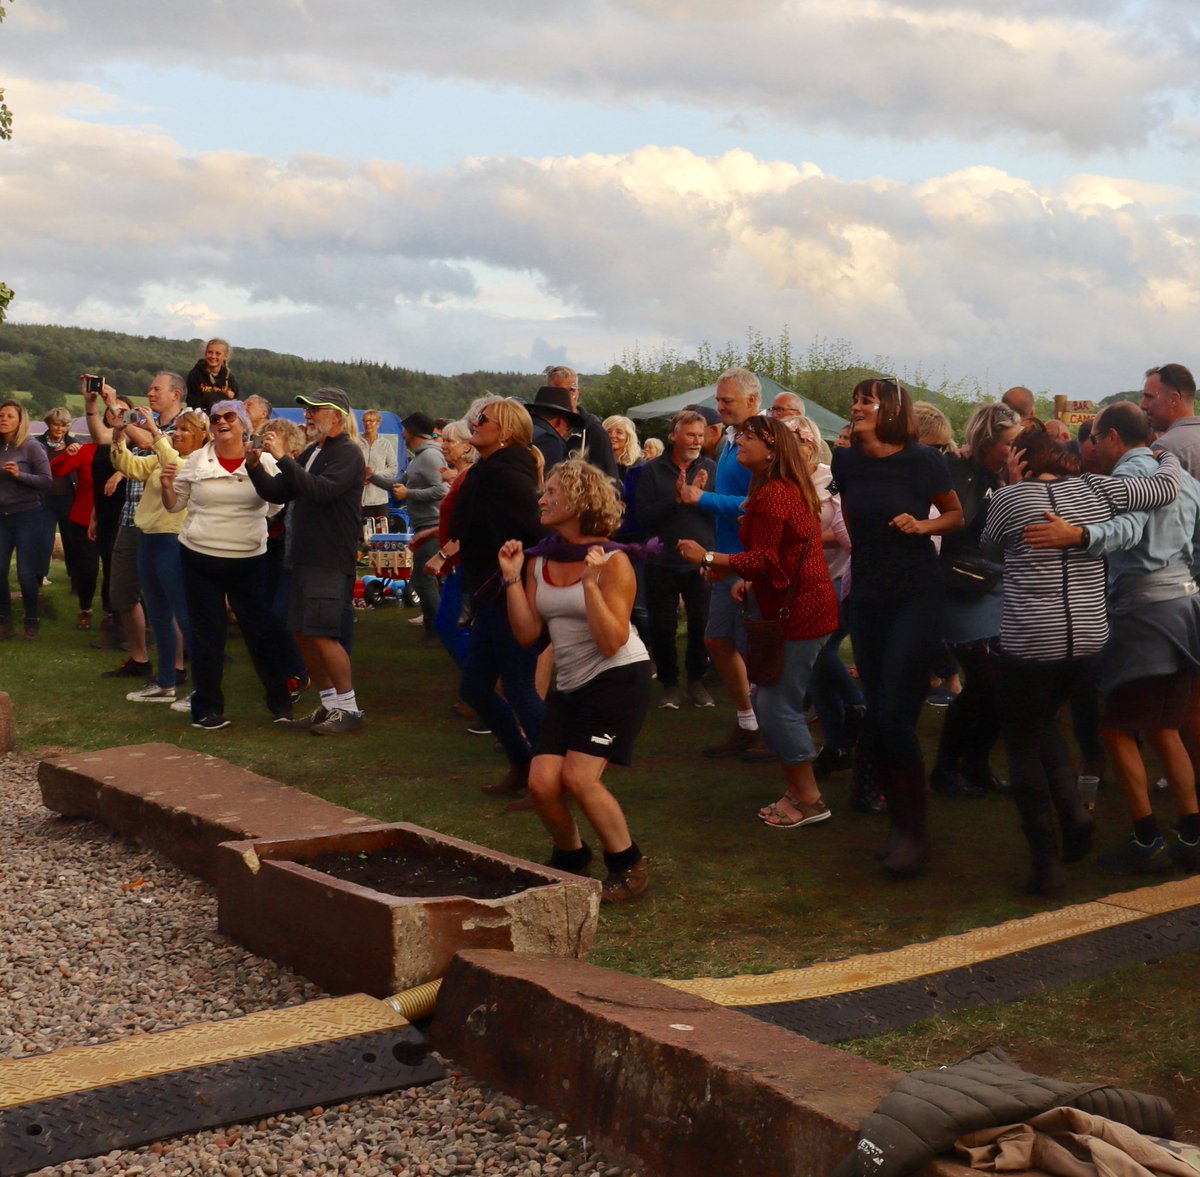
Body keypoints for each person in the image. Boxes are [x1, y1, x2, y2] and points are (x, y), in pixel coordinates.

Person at [981, 429, 1185, 893]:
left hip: (1031, 641)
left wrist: (1011, 486)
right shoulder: (1097, 487)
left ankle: (1045, 861)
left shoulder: (1009, 499)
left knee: (1022, 745)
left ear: (1019, 459)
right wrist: (1161, 453)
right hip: (1089, 638)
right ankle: (1073, 813)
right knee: (1045, 724)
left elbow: (990, 549)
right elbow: (1165, 487)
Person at [1023, 401, 1200, 875]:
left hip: (1143, 615)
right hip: (1183, 607)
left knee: (1117, 728)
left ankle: (1146, 839)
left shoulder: (1132, 480)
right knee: (1165, 727)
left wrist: (1077, 535)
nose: (1092, 445)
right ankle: (1191, 832)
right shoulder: (1180, 476)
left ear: (1116, 438)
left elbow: (1127, 528)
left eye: (1097, 437)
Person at [498, 459, 653, 902]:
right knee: (541, 783)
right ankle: (571, 860)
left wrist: (589, 586)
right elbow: (528, 634)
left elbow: (611, 642)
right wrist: (510, 578)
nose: (541, 499)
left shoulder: (614, 561)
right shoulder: (540, 559)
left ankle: (629, 867)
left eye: (551, 492)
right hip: (572, 684)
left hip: (618, 676)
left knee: (579, 778)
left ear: (579, 501)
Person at [830, 378, 965, 878]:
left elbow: (955, 516)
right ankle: (900, 825)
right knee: (879, 717)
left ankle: (914, 833)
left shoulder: (922, 459)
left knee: (892, 716)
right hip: (867, 598)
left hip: (915, 597)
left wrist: (921, 525)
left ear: (893, 410)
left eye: (868, 399)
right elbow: (853, 528)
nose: (858, 405)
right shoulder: (845, 461)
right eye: (857, 397)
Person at [680, 417, 838, 829]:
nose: (740, 442)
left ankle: (809, 799)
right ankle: (799, 790)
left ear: (772, 450)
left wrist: (710, 558)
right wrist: (745, 579)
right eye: (741, 436)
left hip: (801, 609)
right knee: (776, 697)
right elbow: (777, 555)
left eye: (750, 437)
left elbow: (766, 558)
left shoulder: (773, 494)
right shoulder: (774, 488)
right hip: (799, 602)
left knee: (776, 703)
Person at [162, 400, 291, 729]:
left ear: (244, 424)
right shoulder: (195, 460)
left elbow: (277, 502)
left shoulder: (262, 460)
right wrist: (166, 487)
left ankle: (280, 704)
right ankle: (207, 709)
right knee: (207, 635)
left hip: (249, 559)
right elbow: (175, 504)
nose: (222, 421)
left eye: (229, 416)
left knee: (260, 632)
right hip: (199, 556)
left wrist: (250, 525)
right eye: (216, 417)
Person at [247, 388, 367, 735]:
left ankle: (349, 708)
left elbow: (320, 490)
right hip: (304, 556)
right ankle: (330, 704)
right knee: (301, 631)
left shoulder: (349, 453)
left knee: (324, 634)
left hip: (328, 557)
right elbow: (279, 492)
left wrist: (284, 457)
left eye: (316, 411)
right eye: (308, 410)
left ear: (338, 417)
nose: (308, 416)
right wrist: (254, 467)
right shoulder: (315, 450)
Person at [448, 397, 546, 799]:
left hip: (511, 594)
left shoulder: (508, 477)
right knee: (475, 689)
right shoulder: (487, 471)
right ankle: (524, 763)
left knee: (520, 688)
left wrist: (518, 579)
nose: (475, 422)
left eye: (482, 419)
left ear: (504, 432)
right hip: (490, 591)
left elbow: (539, 535)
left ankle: (549, 779)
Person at [929, 402, 1023, 798]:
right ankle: (947, 769)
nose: (1015, 452)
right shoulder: (958, 470)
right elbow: (961, 521)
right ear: (988, 441)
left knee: (1001, 684)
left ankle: (977, 765)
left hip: (995, 588)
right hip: (963, 590)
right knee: (985, 680)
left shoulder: (999, 475)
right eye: (1009, 445)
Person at [677, 368, 765, 758]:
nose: (720, 406)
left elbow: (755, 507)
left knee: (755, 651)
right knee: (717, 639)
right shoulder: (731, 440)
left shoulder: (763, 442)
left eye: (728, 400)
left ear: (752, 401)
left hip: (750, 563)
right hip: (728, 559)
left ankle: (767, 729)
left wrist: (702, 500)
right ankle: (749, 721)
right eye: (720, 398)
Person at [111, 407, 209, 703]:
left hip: (173, 541)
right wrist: (118, 436)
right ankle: (165, 682)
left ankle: (202, 689)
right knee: (159, 615)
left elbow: (177, 472)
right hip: (149, 538)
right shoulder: (162, 458)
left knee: (184, 614)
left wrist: (154, 432)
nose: (177, 434)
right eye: (175, 429)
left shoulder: (197, 462)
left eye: (185, 430)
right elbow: (129, 467)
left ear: (202, 437)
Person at [790, 415, 862, 778]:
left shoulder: (830, 478)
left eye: (800, 440)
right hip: (798, 582)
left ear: (813, 443)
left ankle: (856, 708)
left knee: (819, 654)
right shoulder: (782, 480)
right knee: (817, 666)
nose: (795, 448)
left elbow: (847, 528)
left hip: (834, 576)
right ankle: (837, 744)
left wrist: (804, 543)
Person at [636, 410, 716, 709]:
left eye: (700, 434)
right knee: (662, 626)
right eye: (691, 434)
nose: (697, 440)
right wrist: (676, 498)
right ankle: (670, 684)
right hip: (661, 560)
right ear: (674, 436)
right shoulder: (652, 470)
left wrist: (700, 496)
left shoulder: (711, 467)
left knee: (701, 624)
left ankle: (696, 681)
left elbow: (720, 512)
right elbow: (643, 516)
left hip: (701, 561)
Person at [391, 411, 448, 645]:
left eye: (404, 429)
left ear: (413, 432)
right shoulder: (418, 458)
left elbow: (442, 490)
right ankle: (436, 628)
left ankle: (437, 631)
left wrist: (409, 494)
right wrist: (370, 476)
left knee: (423, 578)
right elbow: (398, 484)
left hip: (432, 525)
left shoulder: (430, 458)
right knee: (425, 579)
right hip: (424, 525)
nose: (402, 433)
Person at [0, 400, 53, 639]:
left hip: (27, 515)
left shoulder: (31, 447)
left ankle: (31, 618)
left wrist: (19, 475)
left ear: (20, 421)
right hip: (2, 516)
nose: (3, 419)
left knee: (25, 571)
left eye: (9, 416)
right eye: (1, 415)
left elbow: (46, 481)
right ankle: (5, 620)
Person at [35, 406, 81, 589]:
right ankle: (38, 579)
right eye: (56, 425)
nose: (60, 429)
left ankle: (75, 583)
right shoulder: (36, 444)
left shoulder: (74, 444)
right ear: (49, 424)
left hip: (68, 500)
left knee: (71, 541)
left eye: (64, 425)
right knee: (44, 541)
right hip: (45, 500)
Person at [544, 366, 620, 478]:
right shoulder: (539, 428)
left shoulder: (594, 431)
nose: (566, 396)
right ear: (548, 393)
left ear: (578, 392)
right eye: (559, 391)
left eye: (571, 390)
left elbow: (610, 482)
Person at [358, 408, 399, 529]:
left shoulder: (385, 444)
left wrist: (374, 476)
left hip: (379, 499)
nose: (367, 424)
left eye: (371, 421)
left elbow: (393, 468)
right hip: (359, 498)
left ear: (378, 423)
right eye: (365, 421)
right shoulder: (356, 442)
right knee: (359, 535)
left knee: (380, 535)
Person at [526, 387, 582, 470]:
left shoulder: (518, 430)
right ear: (559, 421)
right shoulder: (550, 442)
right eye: (569, 425)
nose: (567, 430)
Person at [185, 338, 240, 412]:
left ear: (225, 356)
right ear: (205, 354)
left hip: (223, 419)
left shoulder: (230, 378)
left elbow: (236, 405)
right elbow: (192, 402)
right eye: (210, 352)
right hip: (201, 418)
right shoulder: (196, 374)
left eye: (218, 353)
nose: (213, 356)